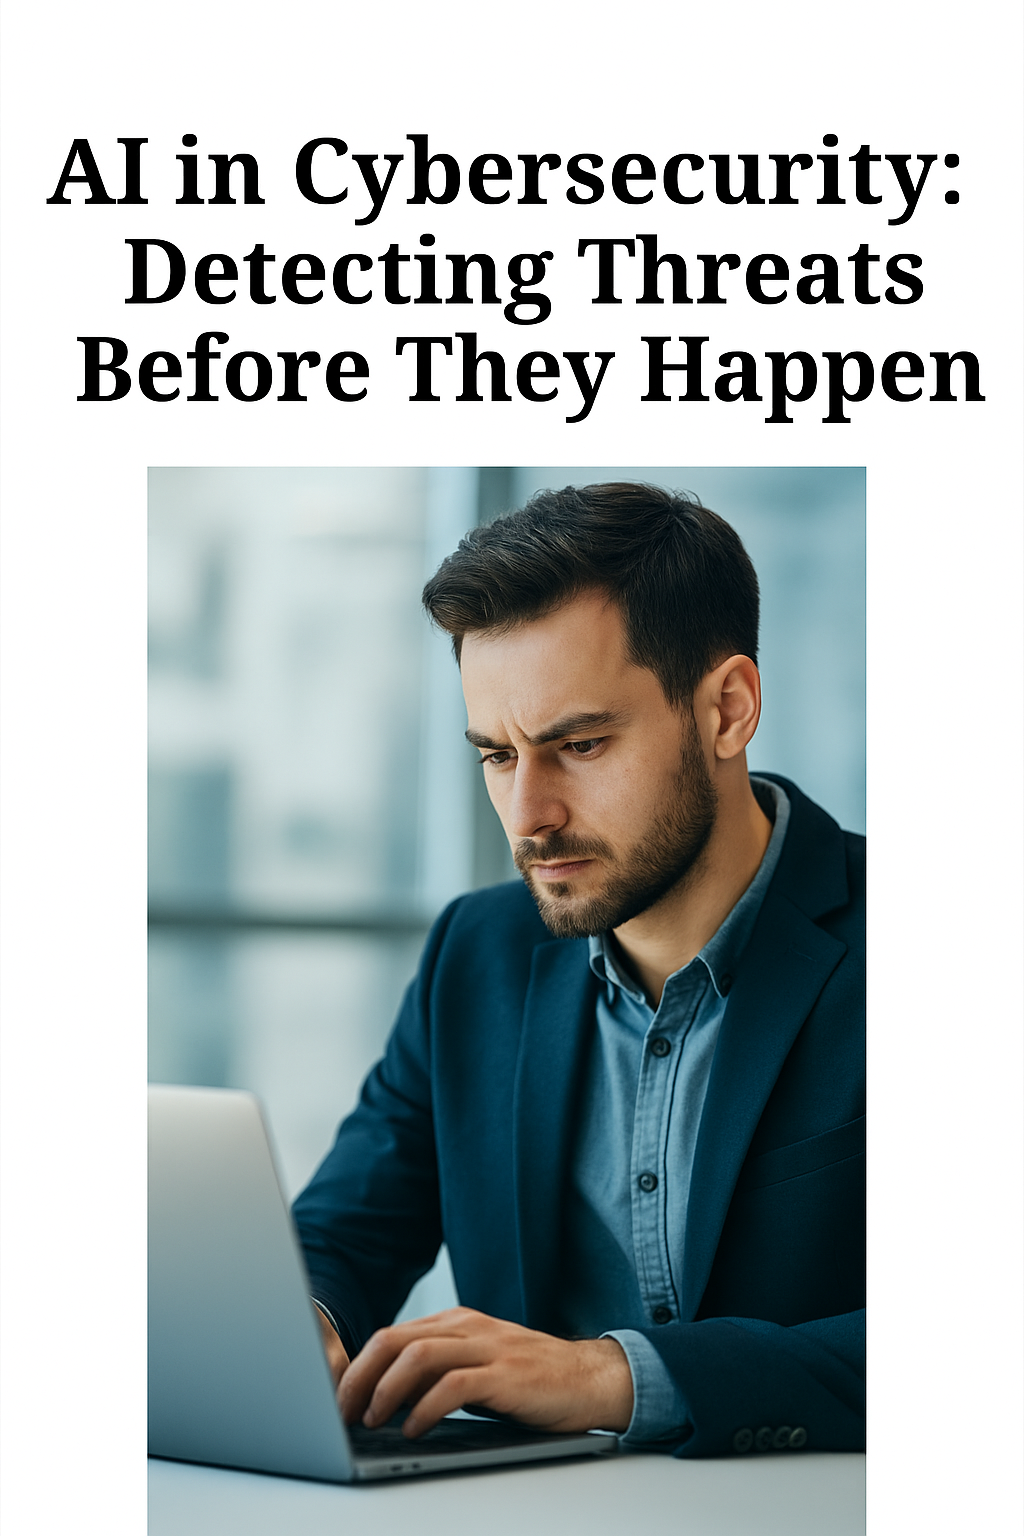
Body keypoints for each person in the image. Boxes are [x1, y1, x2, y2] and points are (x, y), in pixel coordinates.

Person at [292, 482, 865, 1457]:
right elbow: (346, 1232)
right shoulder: (473, 954)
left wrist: (611, 1375)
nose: (527, 817)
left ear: (727, 709)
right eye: (495, 755)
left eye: (580, 745)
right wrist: (302, 1327)